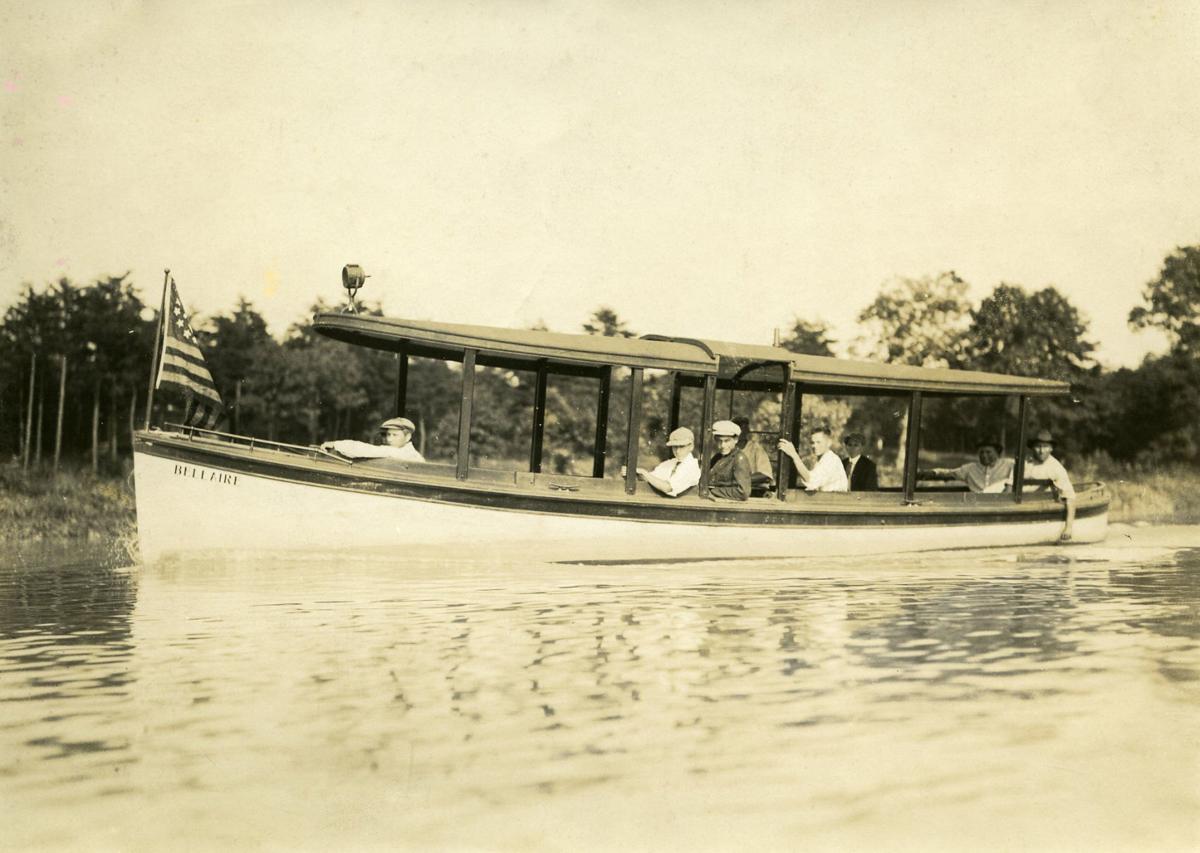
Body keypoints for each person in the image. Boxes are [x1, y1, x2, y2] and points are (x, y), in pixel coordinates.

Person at [1023, 429, 1075, 542]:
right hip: (1020, 505)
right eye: (1038, 446)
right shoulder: (1024, 463)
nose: (1041, 451)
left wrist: (1068, 528)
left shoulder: (1056, 468)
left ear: (1051, 449)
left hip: (1041, 508)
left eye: (1045, 447)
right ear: (1032, 447)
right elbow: (1010, 485)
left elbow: (1070, 498)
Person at [921, 439, 1014, 494]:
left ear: (997, 453)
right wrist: (934, 472)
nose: (984, 455)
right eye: (981, 452)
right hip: (976, 505)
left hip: (1000, 504)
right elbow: (950, 473)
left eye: (988, 452)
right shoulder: (970, 468)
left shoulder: (1009, 464)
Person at [321, 416, 425, 462]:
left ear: (408, 437)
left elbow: (364, 449)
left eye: (395, 435)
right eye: (388, 434)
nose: (389, 439)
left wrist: (335, 444)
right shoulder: (412, 453)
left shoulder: (404, 453)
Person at [634, 427, 701, 497]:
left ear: (691, 446)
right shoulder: (669, 463)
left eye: (682, 446)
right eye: (675, 447)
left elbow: (668, 488)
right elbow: (650, 478)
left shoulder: (692, 468)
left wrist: (644, 472)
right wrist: (635, 473)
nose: (677, 451)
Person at [778, 426, 849, 492]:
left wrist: (794, 455)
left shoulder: (831, 460)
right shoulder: (822, 460)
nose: (814, 446)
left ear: (829, 443)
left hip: (836, 500)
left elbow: (811, 480)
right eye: (812, 442)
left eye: (818, 442)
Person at [707, 420, 751, 501]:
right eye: (719, 441)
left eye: (727, 441)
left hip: (730, 506)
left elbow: (743, 492)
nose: (722, 445)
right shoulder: (717, 457)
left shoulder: (739, 459)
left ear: (736, 440)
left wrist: (712, 491)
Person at [733, 416, 775, 495]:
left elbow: (765, 475)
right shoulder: (728, 448)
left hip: (755, 492)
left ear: (747, 431)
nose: (741, 433)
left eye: (744, 429)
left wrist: (738, 480)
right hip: (733, 491)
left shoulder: (756, 449)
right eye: (739, 429)